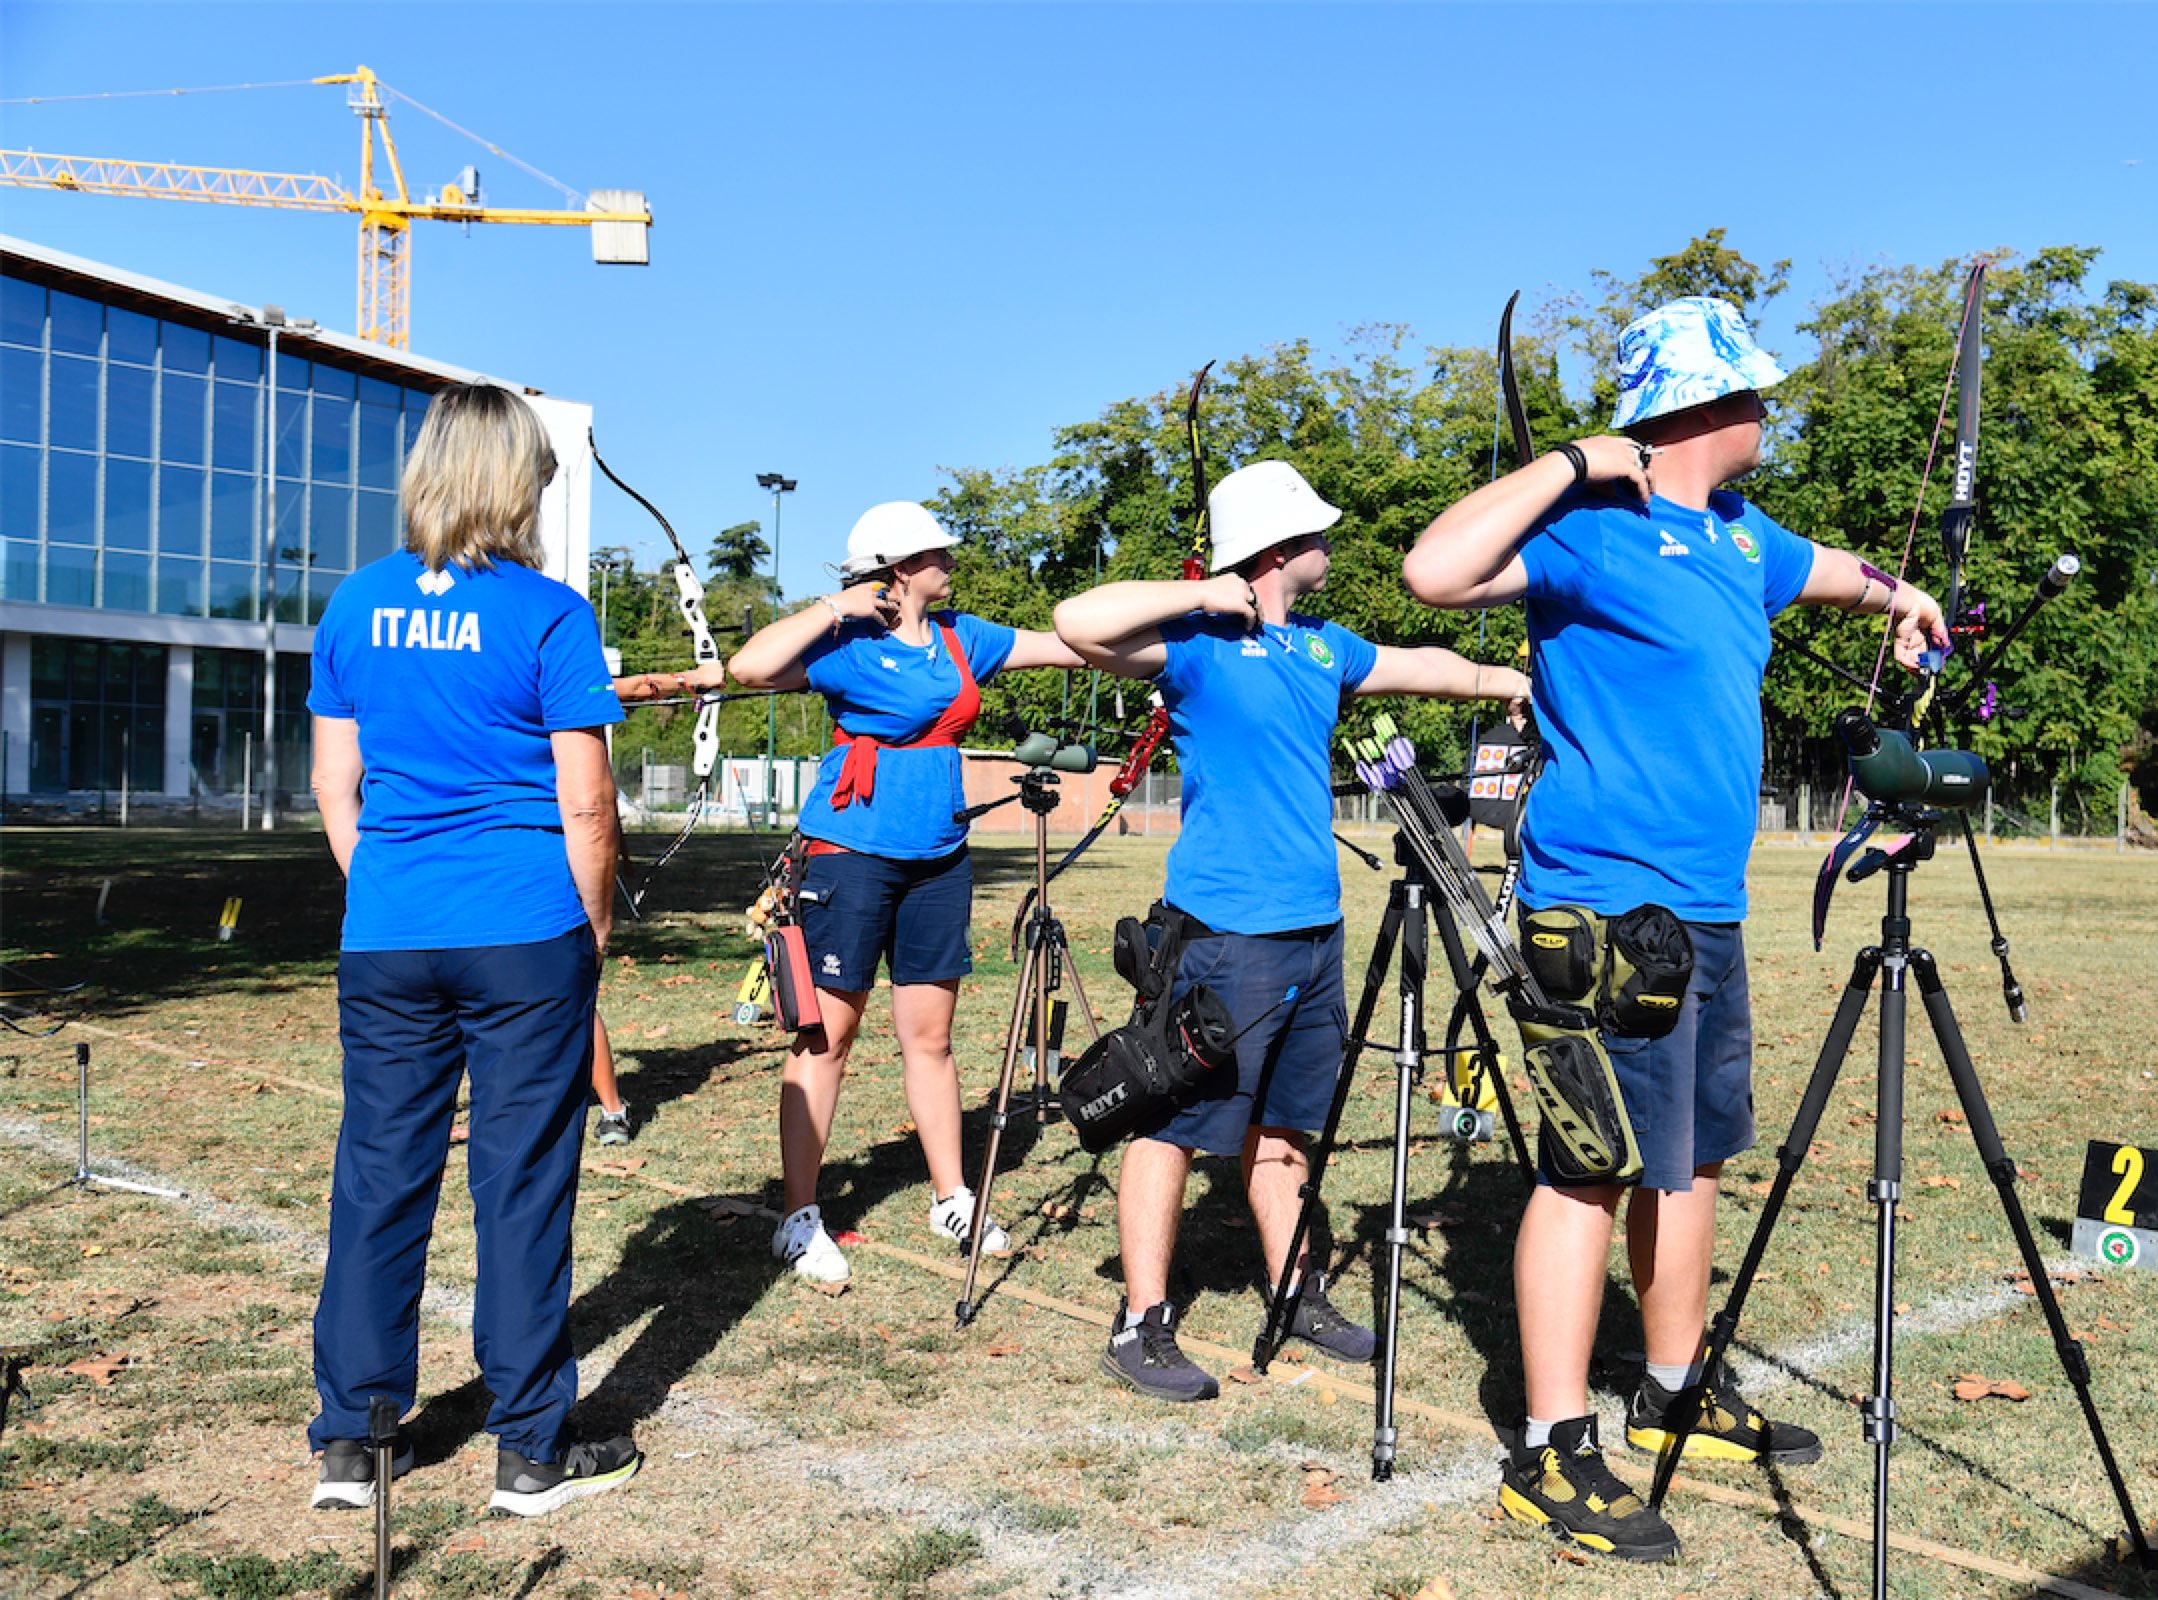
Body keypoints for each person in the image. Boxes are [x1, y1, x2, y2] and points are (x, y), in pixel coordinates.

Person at [1404, 296, 1949, 1561]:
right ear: (1701, 409)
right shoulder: (1592, 528)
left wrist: (1902, 593)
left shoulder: (1744, 538)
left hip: (1706, 911)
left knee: (1692, 1157)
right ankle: (1548, 1449)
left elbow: (1838, 575)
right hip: (1599, 907)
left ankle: (1671, 1387)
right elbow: (1435, 573)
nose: (1769, 409)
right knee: (1586, 1166)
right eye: (1752, 392)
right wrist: (1574, 462)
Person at [1054, 460, 1530, 1402]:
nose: (1329, 543)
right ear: (1275, 548)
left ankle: (1294, 1289)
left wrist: (1506, 677)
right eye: (1313, 532)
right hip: (1224, 934)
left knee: (1285, 1125)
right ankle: (1139, 1322)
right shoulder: (1192, 645)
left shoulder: (1323, 648)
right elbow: (1079, 623)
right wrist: (1206, 593)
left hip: (1315, 934)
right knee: (1172, 1124)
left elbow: (1420, 668)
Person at [305, 383, 640, 1517]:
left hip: (390, 931)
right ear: (518, 483)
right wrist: (589, 925)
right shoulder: (548, 612)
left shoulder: (356, 604)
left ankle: (353, 1437)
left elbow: (332, 787)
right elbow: (586, 803)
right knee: (522, 1182)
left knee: (380, 1173)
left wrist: (394, 891)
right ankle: (530, 1448)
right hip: (522, 930)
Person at [725, 502, 1085, 1284]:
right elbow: (747, 668)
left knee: (932, 1039)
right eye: (936, 553)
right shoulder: (845, 640)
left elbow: (1061, 647)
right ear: (898, 567)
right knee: (828, 1038)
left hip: (939, 859)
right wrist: (832, 607)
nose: (950, 561)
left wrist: (1172, 633)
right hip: (850, 856)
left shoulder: (961, 635)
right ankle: (798, 1215)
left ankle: (952, 1195)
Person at [582, 659, 731, 1145]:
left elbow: (615, 689)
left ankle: (612, 1108)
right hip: (492, 857)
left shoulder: (551, 674)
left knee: (574, 986)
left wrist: (690, 682)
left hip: (558, 850)